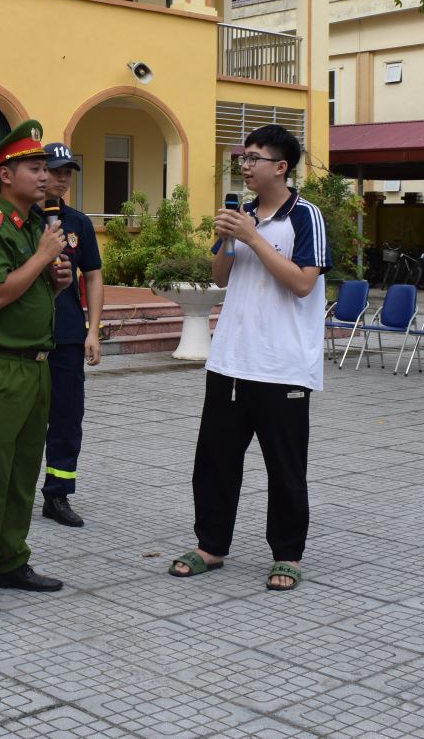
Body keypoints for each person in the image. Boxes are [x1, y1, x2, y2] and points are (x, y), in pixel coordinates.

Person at [167, 124, 329, 591]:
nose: (245, 164)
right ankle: (211, 546)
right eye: (243, 157)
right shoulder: (245, 214)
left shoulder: (305, 217)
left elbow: (302, 282)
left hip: (283, 366)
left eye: (255, 157)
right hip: (231, 361)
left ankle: (288, 554)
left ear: (281, 167)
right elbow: (220, 278)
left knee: (284, 465)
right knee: (214, 460)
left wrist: (255, 238)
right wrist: (226, 239)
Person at [0, 119, 72, 620]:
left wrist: (57, 279)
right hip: (0, 365)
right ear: (6, 175)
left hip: (38, 363)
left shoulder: (31, 230)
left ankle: (10, 559)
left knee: (24, 470)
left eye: (46, 169)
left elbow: (30, 292)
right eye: (35, 167)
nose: (45, 177)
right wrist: (44, 256)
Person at [37, 142, 103, 528]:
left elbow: (92, 275)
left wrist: (92, 330)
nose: (61, 178)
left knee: (66, 418)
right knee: (26, 419)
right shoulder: (22, 220)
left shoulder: (77, 223)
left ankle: (57, 494)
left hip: (66, 335)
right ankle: (13, 490)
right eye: (54, 170)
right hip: (26, 337)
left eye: (67, 172)